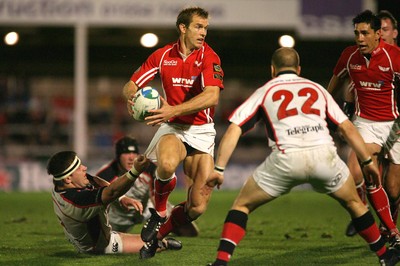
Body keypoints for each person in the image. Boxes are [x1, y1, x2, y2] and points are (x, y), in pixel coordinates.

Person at [207, 47, 400, 266]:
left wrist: (219, 168)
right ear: (299, 69)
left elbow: (235, 128)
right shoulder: (316, 88)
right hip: (324, 157)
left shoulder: (266, 90)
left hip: (286, 159)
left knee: (241, 206)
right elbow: (347, 127)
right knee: (355, 203)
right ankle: (385, 256)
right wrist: (366, 161)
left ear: (273, 70)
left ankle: (221, 262)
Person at [122, 6, 224, 259]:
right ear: (183, 28)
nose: (203, 33)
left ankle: (157, 238)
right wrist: (131, 98)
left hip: (201, 131)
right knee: (166, 165)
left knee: (197, 207)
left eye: (206, 28)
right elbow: (131, 84)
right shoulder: (163, 55)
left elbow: (212, 97)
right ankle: (158, 213)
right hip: (175, 127)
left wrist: (173, 109)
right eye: (198, 27)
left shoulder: (210, 57)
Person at [327, 10, 400, 241]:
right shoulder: (349, 56)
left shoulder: (394, 56)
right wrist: (325, 105)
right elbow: (337, 79)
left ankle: (387, 225)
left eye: (364, 33)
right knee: (365, 170)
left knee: (394, 188)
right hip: (364, 122)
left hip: (393, 124)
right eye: (356, 33)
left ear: (378, 34)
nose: (359, 38)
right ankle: (380, 224)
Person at [48, 150, 182, 254]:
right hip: (97, 245)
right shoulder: (77, 201)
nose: (84, 167)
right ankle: (164, 243)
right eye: (78, 168)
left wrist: (122, 198)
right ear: (67, 179)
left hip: (80, 231)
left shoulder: (63, 184)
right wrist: (135, 171)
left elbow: (96, 181)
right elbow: (111, 192)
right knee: (153, 244)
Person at [96, 135, 199, 236]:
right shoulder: (106, 174)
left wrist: (164, 216)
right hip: (118, 220)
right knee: (106, 241)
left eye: (134, 153)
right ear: (118, 156)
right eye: (126, 153)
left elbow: (156, 197)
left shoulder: (148, 168)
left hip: (146, 210)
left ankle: (167, 228)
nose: (131, 157)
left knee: (189, 231)